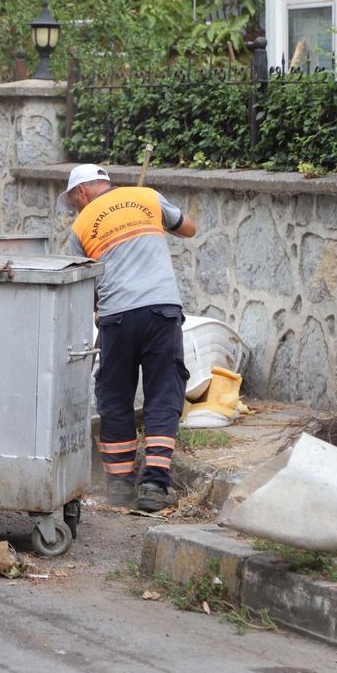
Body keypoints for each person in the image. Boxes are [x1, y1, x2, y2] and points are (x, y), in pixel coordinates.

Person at [60, 163, 197, 513]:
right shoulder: (147, 197)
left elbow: (79, 285)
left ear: (82, 192)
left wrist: (97, 309)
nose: (75, 207)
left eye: (73, 201)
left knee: (116, 395)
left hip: (117, 316)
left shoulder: (79, 228)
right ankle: (154, 484)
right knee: (164, 391)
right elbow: (189, 229)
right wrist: (154, 220)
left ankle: (119, 486)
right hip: (162, 310)